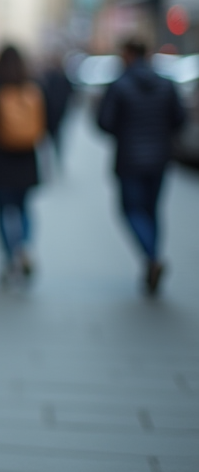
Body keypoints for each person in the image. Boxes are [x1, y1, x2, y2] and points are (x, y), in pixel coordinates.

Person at [96, 37, 186, 296]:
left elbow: (104, 122)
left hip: (129, 160)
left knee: (131, 210)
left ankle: (151, 257)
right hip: (159, 159)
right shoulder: (165, 84)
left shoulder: (120, 86)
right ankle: (152, 260)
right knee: (152, 210)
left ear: (127, 54)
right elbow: (178, 119)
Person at [0, 45, 44, 286]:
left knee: (1, 210)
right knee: (23, 208)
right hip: (26, 156)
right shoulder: (31, 85)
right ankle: (23, 247)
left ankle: (7, 257)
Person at [41, 53, 74, 168]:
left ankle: (51, 160)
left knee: (50, 138)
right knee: (56, 137)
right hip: (56, 112)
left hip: (51, 112)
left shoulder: (48, 76)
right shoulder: (59, 76)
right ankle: (55, 159)